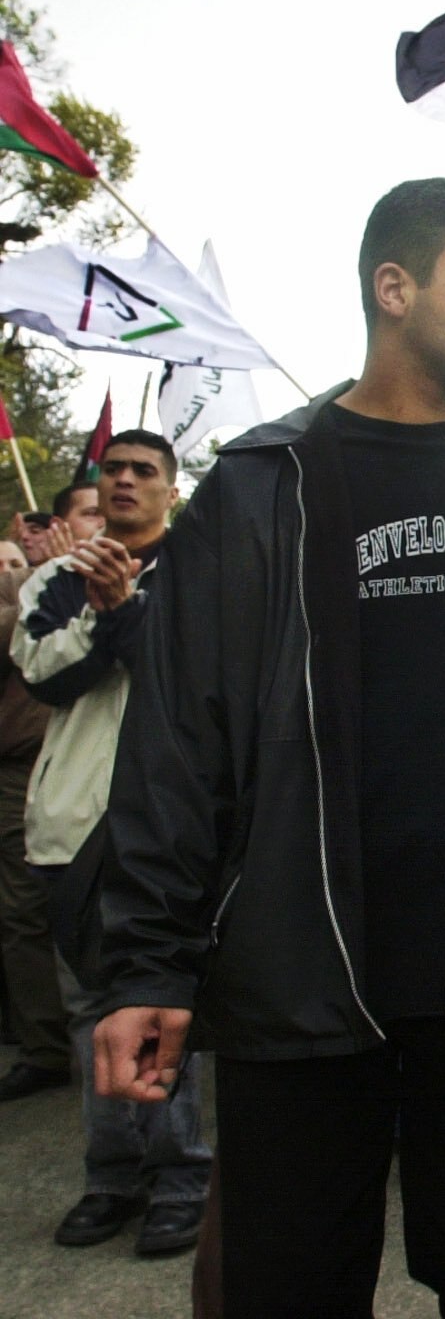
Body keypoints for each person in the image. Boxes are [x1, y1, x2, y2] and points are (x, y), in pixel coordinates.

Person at [91, 178, 445, 1317]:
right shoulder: (260, 489)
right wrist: (146, 965)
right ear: (394, 287)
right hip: (301, 984)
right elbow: (181, 741)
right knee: (290, 1289)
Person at [11, 430, 210, 1254]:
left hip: (168, 819)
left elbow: (180, 670)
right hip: (76, 822)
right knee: (94, 1005)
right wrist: (102, 614)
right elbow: (45, 675)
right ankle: (110, 1177)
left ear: (172, 489)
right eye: (113, 471)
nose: (125, 482)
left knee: (165, 1004)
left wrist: (126, 610)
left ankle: (181, 1176)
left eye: (144, 472)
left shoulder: (203, 576)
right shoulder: (61, 579)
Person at [0, 531, 60, 1103]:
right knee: (21, 915)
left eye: (12, 564)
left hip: (60, 771)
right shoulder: (35, 589)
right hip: (25, 774)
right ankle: (43, 1042)